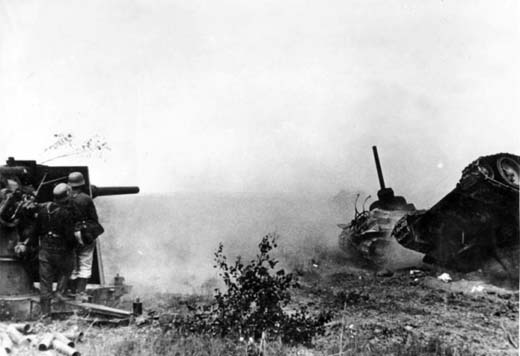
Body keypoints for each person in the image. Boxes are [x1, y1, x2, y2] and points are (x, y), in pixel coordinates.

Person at [30, 183, 76, 317]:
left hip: (45, 250)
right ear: (67, 195)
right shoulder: (66, 213)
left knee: (45, 282)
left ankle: (45, 314)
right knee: (68, 267)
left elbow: (36, 230)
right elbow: (69, 237)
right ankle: (60, 292)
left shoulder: (44, 209)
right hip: (61, 251)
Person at [67, 172, 104, 301]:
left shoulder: (65, 198)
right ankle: (80, 292)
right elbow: (94, 218)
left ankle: (71, 290)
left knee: (72, 264)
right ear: (82, 184)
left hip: (69, 235)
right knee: (85, 262)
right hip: (84, 234)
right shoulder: (86, 198)